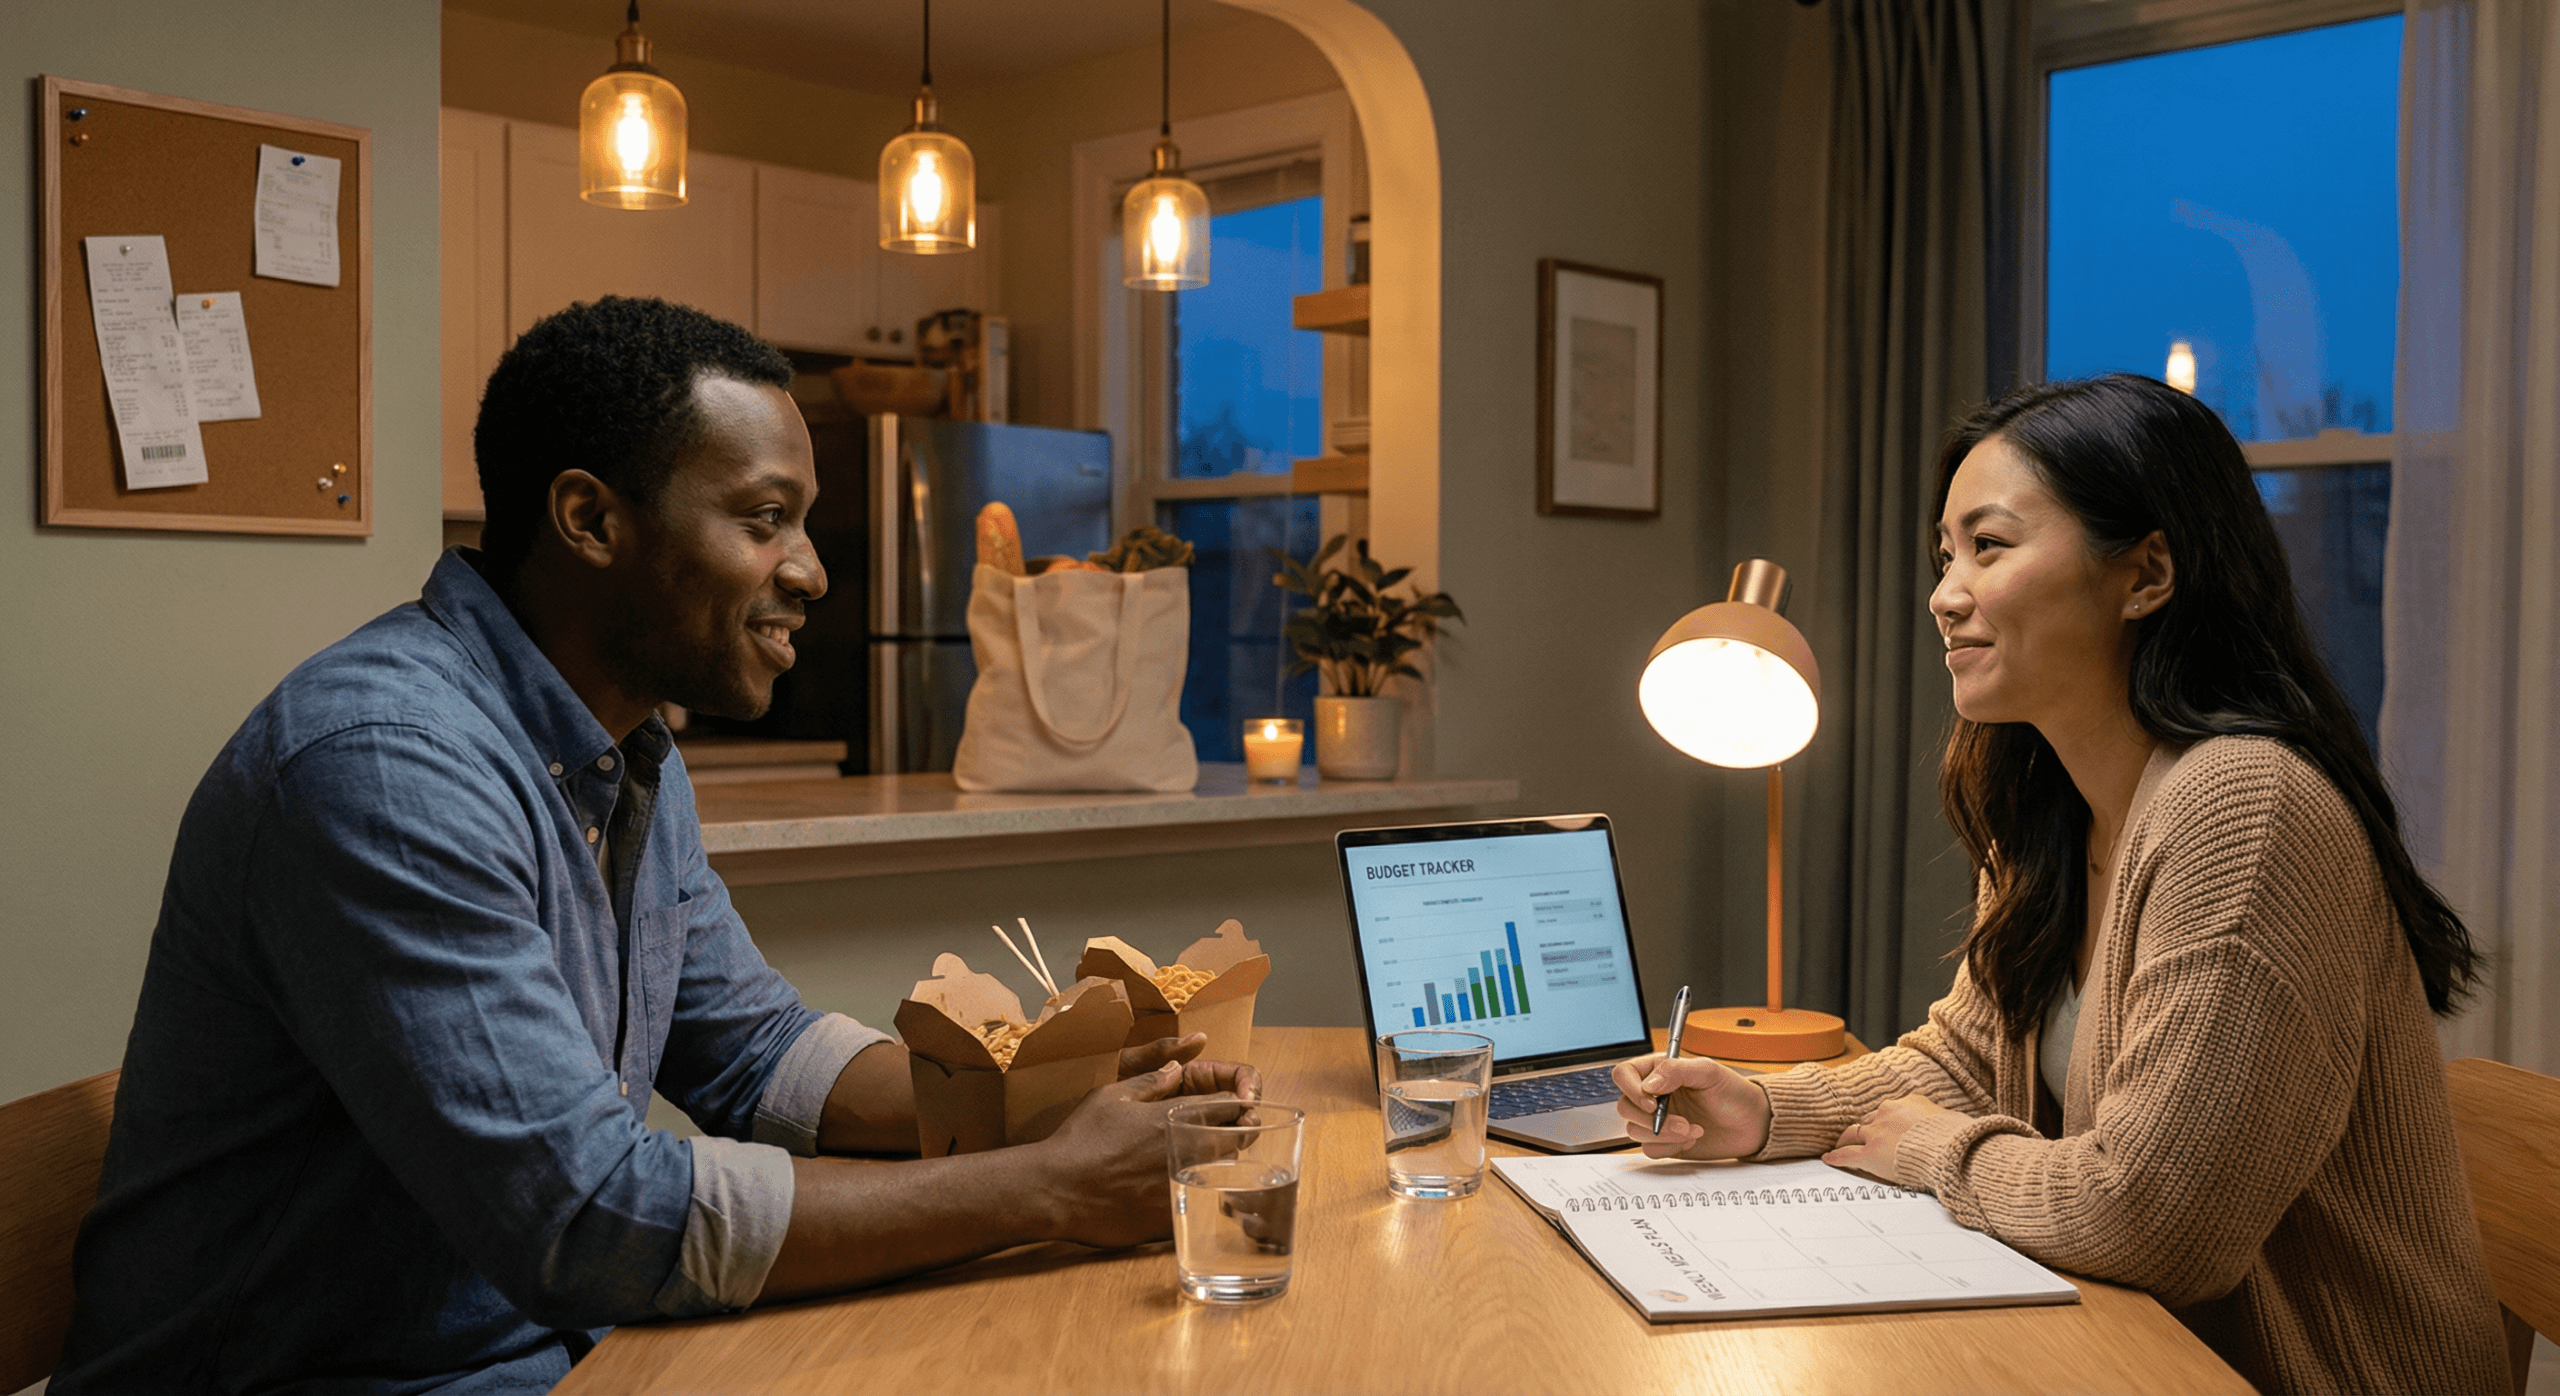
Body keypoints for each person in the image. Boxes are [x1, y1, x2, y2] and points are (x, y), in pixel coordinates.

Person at [54, 296, 1255, 1394]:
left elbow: (755, 1053)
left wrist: (1071, 1092)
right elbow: (587, 1217)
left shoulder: (627, 754)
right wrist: (1044, 1185)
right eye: (763, 519)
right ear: (589, 519)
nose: (814, 571)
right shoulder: (382, 767)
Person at [1614, 374, 2509, 1394]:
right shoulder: (2051, 796)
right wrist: (1766, 1113)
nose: (1943, 593)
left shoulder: (2246, 809)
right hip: (2134, 1353)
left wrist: (1936, 1156)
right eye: (1944, 554)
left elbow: (2155, 1222)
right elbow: (1965, 1058)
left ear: (2146, 573)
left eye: (1988, 547)